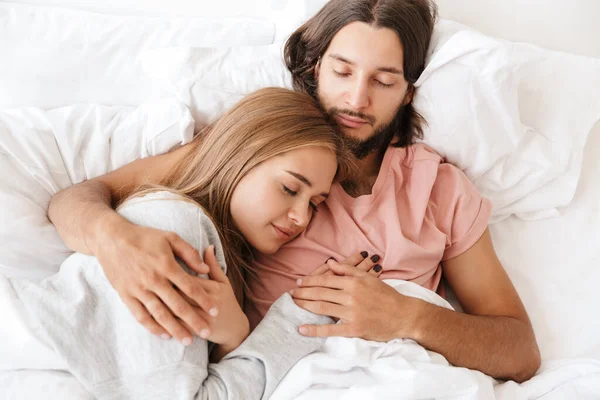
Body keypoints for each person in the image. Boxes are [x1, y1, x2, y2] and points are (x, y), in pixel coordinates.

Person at [47, 0, 541, 383]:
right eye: (342, 71)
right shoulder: (260, 151)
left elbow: (519, 351)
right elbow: (77, 198)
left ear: (408, 92)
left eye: (383, 81)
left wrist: (406, 316)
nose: (356, 98)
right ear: (315, 69)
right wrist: (116, 241)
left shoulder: (439, 189)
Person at [1, 87, 363, 399]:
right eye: (289, 188)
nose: (302, 217)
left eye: (314, 203)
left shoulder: (212, 252)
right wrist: (299, 317)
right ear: (238, 158)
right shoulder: (177, 230)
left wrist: (233, 338)